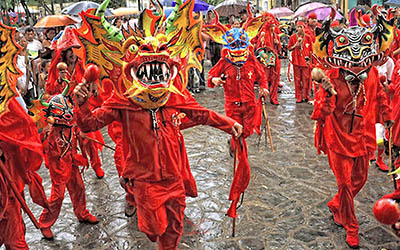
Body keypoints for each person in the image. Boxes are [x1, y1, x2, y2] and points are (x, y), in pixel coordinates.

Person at [311, 12, 394, 247]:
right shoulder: (331, 77)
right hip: (338, 137)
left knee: (360, 180)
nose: (357, 64)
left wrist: (386, 116)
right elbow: (320, 114)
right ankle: (351, 225)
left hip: (363, 136)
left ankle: (337, 204)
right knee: (345, 183)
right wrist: (327, 94)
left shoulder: (373, 72)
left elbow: (378, 94)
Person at [39, 88, 99, 240]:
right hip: (58, 166)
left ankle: (82, 213)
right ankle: (45, 223)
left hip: (71, 161)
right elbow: (40, 144)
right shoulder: (49, 129)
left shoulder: (70, 124)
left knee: (79, 187)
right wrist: (45, 133)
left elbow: (77, 129)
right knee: (57, 196)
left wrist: (81, 135)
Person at [288, 21, 313, 103]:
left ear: (304, 28)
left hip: (305, 62)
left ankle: (306, 96)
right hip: (296, 61)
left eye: (301, 27)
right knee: (297, 79)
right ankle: (298, 96)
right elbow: (289, 48)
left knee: (306, 79)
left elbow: (311, 51)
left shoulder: (308, 37)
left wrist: (310, 61)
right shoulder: (292, 37)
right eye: (298, 27)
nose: (299, 29)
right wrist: (296, 45)